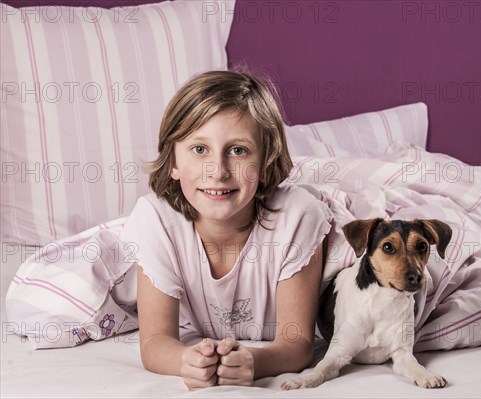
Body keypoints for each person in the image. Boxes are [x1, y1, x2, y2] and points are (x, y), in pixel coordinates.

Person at [119, 70, 334, 390]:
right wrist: (188, 361)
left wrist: (255, 361)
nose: (217, 171)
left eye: (238, 150)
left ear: (264, 162)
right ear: (173, 161)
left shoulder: (296, 217)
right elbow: (154, 341)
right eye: (199, 149)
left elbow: (298, 342)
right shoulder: (156, 220)